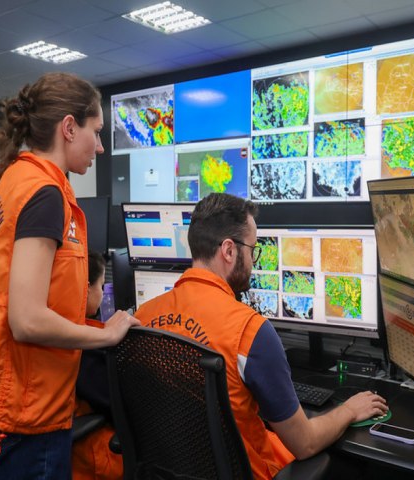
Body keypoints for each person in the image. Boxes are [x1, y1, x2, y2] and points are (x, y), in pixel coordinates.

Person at [0, 72, 138, 479]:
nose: (102, 147)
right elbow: (27, 319)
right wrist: (105, 335)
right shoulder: (45, 194)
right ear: (69, 128)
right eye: (97, 131)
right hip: (28, 413)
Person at [134, 192, 389, 480]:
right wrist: (349, 411)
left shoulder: (143, 317)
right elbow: (304, 443)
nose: (253, 262)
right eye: (252, 250)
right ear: (229, 251)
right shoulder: (250, 331)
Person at [71, 251, 123, 480]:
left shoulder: (60, 330)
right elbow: (118, 406)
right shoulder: (83, 346)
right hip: (90, 458)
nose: (102, 294)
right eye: (101, 286)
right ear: (86, 287)